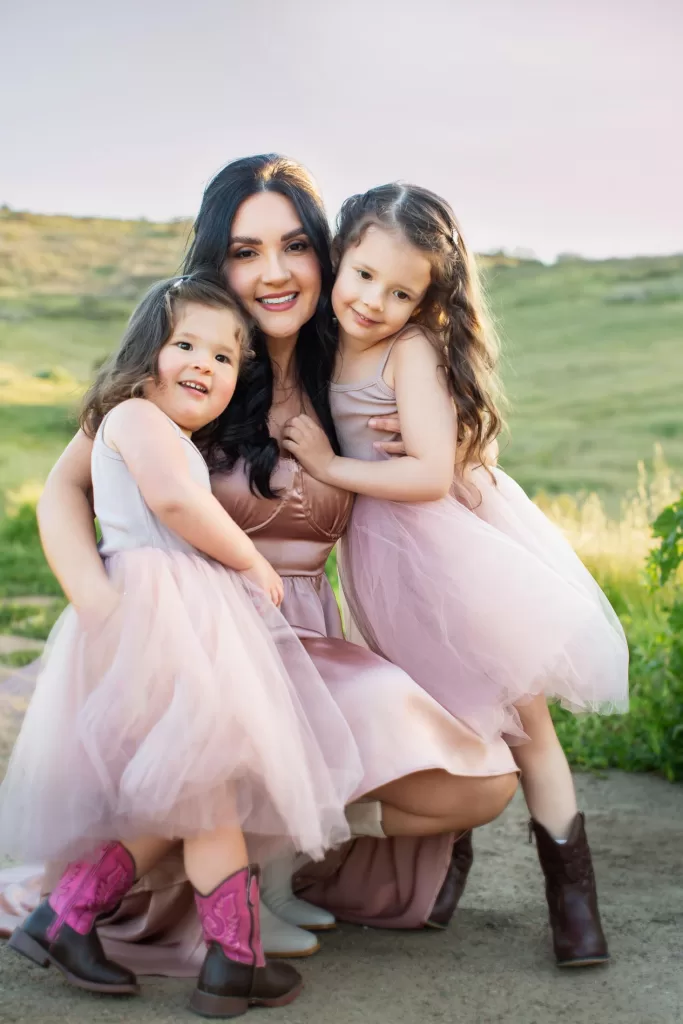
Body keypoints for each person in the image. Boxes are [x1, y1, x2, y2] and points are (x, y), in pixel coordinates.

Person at [0, 157, 518, 976]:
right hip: (200, 635)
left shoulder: (351, 366)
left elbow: (426, 474)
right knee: (211, 758)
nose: (273, 273)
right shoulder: (188, 369)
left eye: (293, 247)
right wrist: (102, 609)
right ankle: (213, 901)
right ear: (218, 261)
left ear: (326, 253)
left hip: (311, 636)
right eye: (245, 252)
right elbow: (65, 491)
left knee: (480, 779)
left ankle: (290, 860)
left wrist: (432, 447)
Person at [0, 271, 368, 1017]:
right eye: (186, 345)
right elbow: (174, 502)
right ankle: (232, 963)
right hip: (155, 612)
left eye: (225, 356)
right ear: (146, 355)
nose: (205, 363)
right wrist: (250, 559)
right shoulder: (135, 416)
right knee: (206, 793)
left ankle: (69, 916)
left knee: (195, 790)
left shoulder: (168, 433)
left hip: (177, 609)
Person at [283, 182, 630, 968]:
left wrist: (330, 464)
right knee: (439, 723)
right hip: (382, 567)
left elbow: (430, 475)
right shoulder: (321, 343)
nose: (373, 301)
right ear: (339, 256)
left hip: (449, 559)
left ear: (425, 300)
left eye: (400, 292)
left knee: (523, 725)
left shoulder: (408, 351)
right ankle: (441, 874)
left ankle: (574, 905)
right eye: (363, 275)